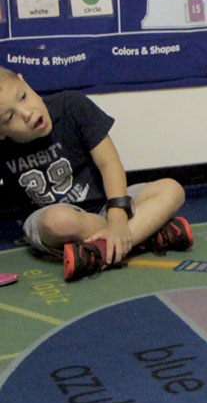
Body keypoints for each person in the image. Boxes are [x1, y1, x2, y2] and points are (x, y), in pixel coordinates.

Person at [0, 67, 193, 281]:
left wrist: (118, 220)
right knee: (59, 221)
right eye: (9, 117)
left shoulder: (72, 105)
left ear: (24, 81)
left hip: (107, 206)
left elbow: (109, 163)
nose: (27, 113)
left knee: (172, 189)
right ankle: (144, 234)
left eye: (24, 96)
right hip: (54, 219)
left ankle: (99, 251)